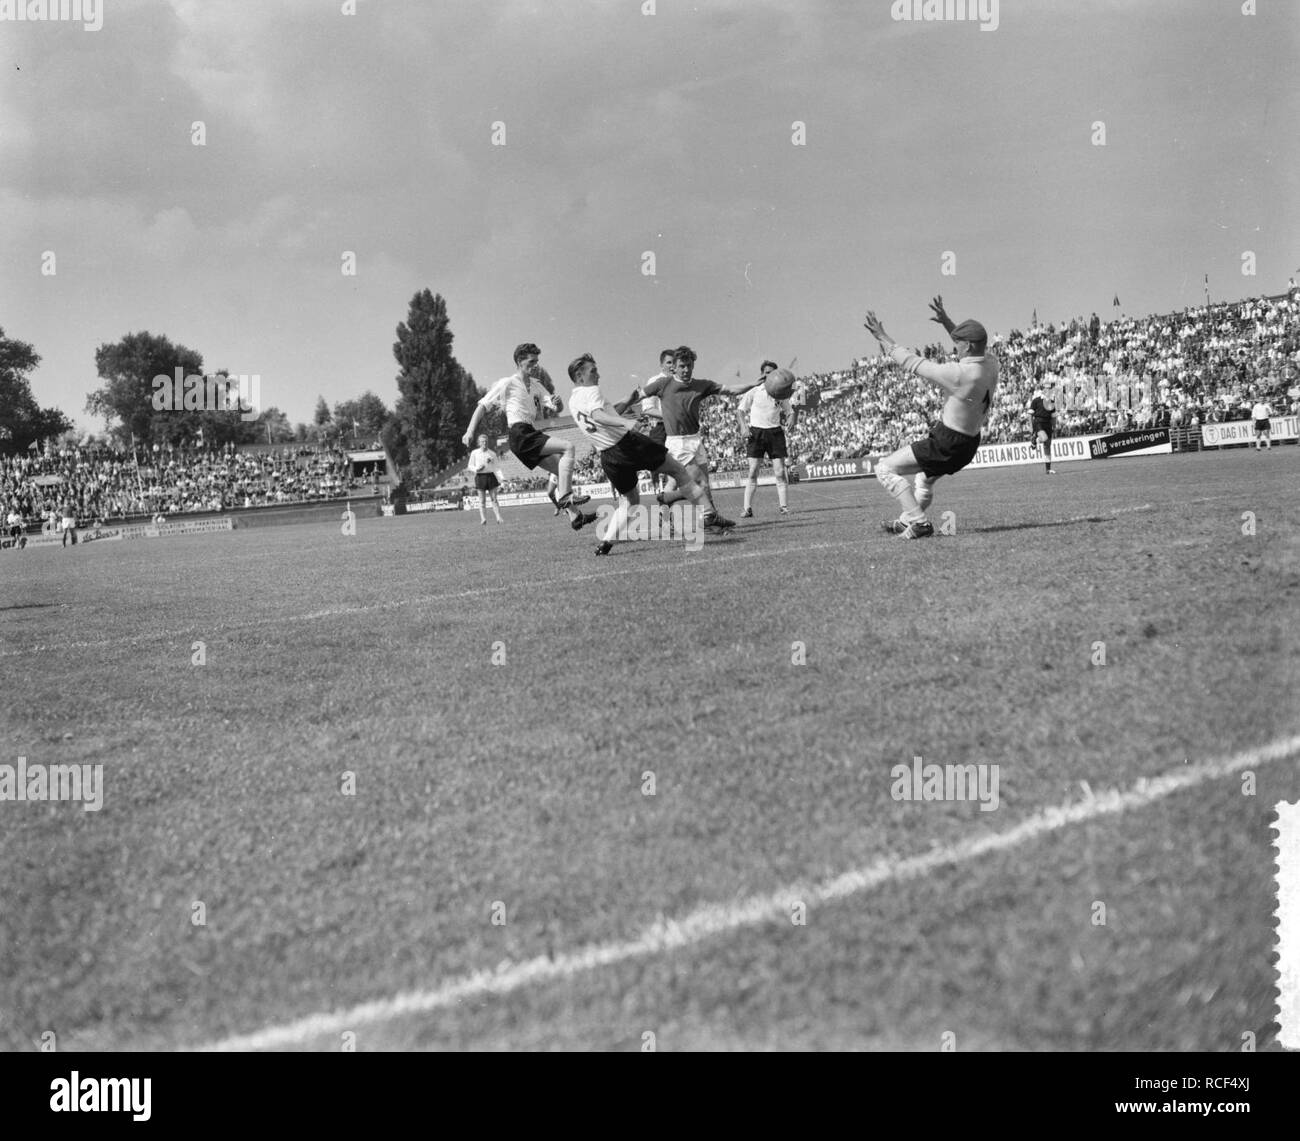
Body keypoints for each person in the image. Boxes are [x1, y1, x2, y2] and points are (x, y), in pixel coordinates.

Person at [861, 295, 1000, 539]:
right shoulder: (991, 363)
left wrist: (883, 337)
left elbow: (913, 363)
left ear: (967, 346)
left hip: (947, 442)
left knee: (885, 468)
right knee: (923, 480)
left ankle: (919, 522)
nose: (954, 346)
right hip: (969, 444)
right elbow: (970, 345)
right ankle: (906, 522)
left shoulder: (959, 374)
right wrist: (947, 322)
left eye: (958, 343)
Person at [567, 353, 713, 556]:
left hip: (608, 456)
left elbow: (605, 414)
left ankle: (606, 543)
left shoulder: (573, 400)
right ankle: (709, 515)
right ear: (579, 376)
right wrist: (626, 422)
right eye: (593, 371)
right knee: (678, 470)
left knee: (631, 500)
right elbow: (598, 416)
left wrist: (627, 401)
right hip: (627, 445)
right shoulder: (591, 390)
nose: (598, 374)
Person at [461, 342, 596, 532]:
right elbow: (482, 406)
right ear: (519, 361)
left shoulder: (537, 385)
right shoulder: (507, 383)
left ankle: (575, 517)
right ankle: (565, 496)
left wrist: (558, 404)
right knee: (568, 447)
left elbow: (556, 407)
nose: (535, 365)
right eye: (531, 361)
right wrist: (469, 431)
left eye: (537, 361)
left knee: (560, 468)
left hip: (528, 433)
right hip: (519, 433)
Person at [637, 346, 759, 531]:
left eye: (689, 366)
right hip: (678, 442)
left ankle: (707, 518)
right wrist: (614, 412)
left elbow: (731, 390)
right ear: (674, 368)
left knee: (703, 483)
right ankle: (707, 520)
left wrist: (753, 384)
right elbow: (638, 398)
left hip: (696, 438)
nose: (686, 370)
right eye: (682, 366)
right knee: (695, 482)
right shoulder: (662, 384)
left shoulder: (702, 385)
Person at [737, 361, 799, 517]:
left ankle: (784, 507)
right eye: (766, 372)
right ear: (762, 373)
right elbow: (740, 411)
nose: (768, 375)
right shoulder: (754, 390)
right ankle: (747, 508)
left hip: (775, 433)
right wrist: (744, 427)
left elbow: (790, 411)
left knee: (779, 472)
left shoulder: (781, 393)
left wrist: (792, 418)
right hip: (756, 433)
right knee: (753, 472)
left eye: (771, 372)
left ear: (776, 374)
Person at [466, 434, 504, 524]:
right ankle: (483, 519)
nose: (484, 443)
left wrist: (502, 478)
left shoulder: (492, 453)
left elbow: (497, 467)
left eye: (486, 441)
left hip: (491, 476)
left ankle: (499, 518)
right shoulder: (474, 453)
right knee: (482, 500)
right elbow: (470, 466)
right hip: (480, 477)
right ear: (479, 443)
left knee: (494, 499)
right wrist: (477, 469)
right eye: (482, 441)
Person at [1029, 390, 1057, 474]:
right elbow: (1030, 414)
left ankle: (1048, 470)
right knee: (1044, 438)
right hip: (1038, 422)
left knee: (1047, 446)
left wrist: (1054, 426)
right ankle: (1035, 440)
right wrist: (1031, 426)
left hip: (1048, 424)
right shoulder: (1036, 401)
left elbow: (1053, 416)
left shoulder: (1051, 402)